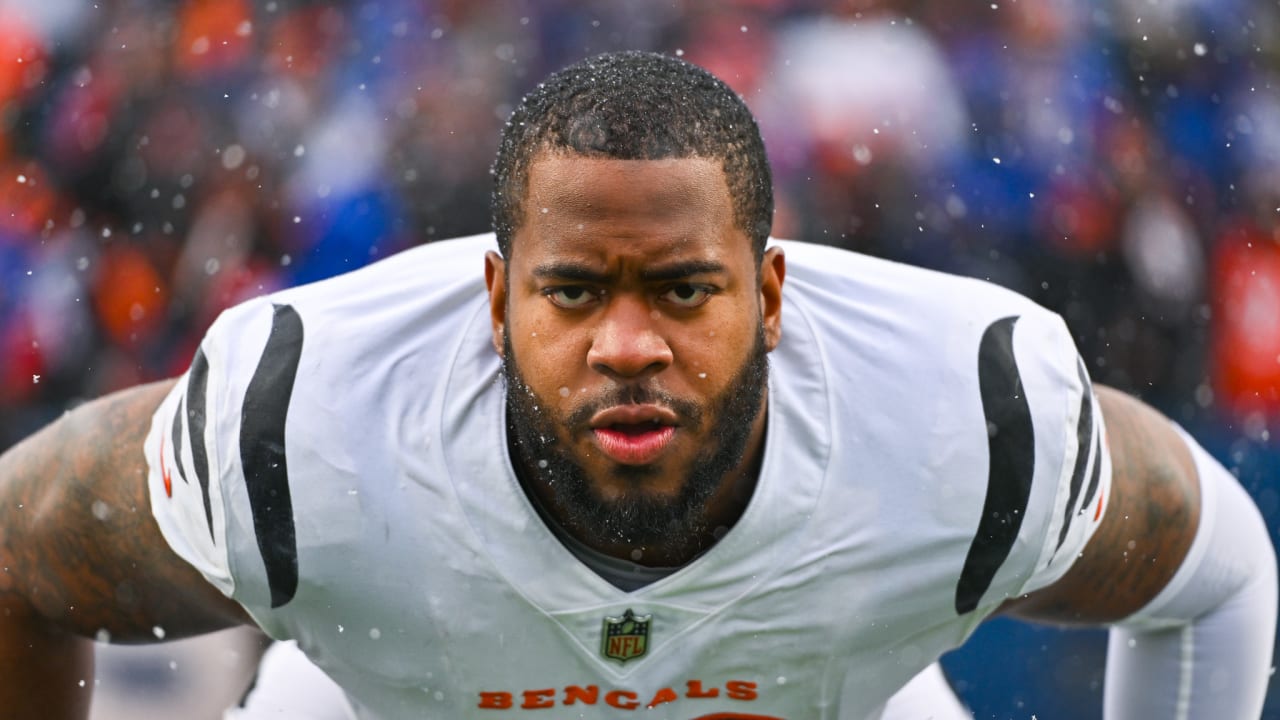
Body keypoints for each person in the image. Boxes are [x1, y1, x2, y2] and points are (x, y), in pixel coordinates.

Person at [0, 50, 1273, 720]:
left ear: (770, 297)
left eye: (679, 290)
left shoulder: (966, 420)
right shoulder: (302, 425)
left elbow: (1216, 572)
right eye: (570, 294)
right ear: (493, 302)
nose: (625, 346)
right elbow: (19, 558)